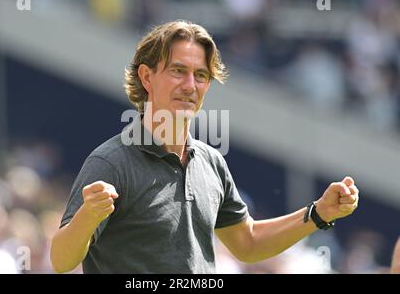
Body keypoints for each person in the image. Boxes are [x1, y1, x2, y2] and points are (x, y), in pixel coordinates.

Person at [50, 20, 360, 273]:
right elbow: (61, 260)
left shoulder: (211, 162)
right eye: (177, 71)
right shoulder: (111, 161)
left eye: (200, 75)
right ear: (146, 77)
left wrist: (319, 212)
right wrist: (88, 216)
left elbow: (247, 243)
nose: (190, 85)